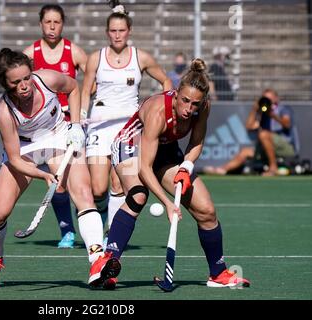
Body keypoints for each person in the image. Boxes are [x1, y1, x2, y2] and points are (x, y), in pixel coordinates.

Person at [89, 58, 250, 289]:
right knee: (138, 196)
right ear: (175, 95)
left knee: (206, 210)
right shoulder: (157, 112)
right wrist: (167, 202)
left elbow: (196, 142)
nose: (189, 109)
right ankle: (106, 261)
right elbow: (145, 167)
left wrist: (186, 167)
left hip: (166, 152)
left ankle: (218, 273)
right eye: (185, 101)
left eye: (195, 103)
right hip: (131, 145)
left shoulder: (203, 107)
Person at [0, 50, 105, 288]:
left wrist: (76, 125)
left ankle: (98, 261)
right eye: (16, 82)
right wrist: (44, 174)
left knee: (84, 195)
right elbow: (15, 159)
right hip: (26, 150)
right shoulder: (5, 111)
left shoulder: (47, 79)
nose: (24, 86)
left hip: (59, 137)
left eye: (26, 78)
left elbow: (74, 88)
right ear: (5, 83)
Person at [81, 1, 172, 245]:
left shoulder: (141, 58)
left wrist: (160, 107)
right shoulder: (95, 58)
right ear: (107, 32)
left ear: (128, 31)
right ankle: (100, 218)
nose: (117, 35)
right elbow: (85, 89)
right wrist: (80, 116)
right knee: (98, 188)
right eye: (113, 31)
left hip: (129, 128)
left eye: (121, 30)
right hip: (99, 126)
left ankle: (112, 238)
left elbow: (166, 82)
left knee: (119, 182)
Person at [23, 4, 89, 249]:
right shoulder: (30, 53)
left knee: (86, 183)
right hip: (45, 128)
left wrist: (82, 107)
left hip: (70, 125)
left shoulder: (74, 52)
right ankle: (67, 231)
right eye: (48, 22)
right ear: (41, 24)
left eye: (57, 22)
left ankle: (98, 229)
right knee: (57, 181)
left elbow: (91, 77)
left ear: (63, 24)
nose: (52, 27)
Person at [203, 88, 298, 176]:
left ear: (276, 98)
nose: (267, 101)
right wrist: (254, 110)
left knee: (263, 134)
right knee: (245, 151)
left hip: (285, 146)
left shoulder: (283, 109)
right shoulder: (263, 113)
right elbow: (249, 126)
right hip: (266, 147)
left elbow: (286, 124)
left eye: (269, 98)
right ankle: (221, 169)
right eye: (264, 98)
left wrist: (272, 115)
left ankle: (273, 168)